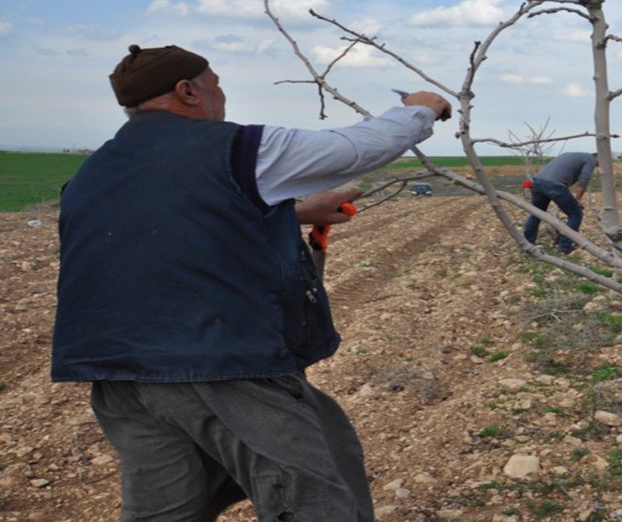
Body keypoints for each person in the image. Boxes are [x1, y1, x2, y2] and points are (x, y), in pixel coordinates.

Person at [52, 43, 452, 521]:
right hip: (220, 363)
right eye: (216, 85)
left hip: (120, 375)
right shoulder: (238, 146)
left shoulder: (96, 170)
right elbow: (356, 149)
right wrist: (419, 110)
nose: (223, 99)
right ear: (187, 91)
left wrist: (295, 211)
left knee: (166, 510)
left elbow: (171, 220)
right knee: (310, 500)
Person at [521, 151, 598, 254]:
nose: (598, 166)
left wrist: (564, 202)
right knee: (576, 214)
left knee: (536, 214)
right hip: (554, 185)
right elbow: (584, 180)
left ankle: (527, 244)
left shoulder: (571, 155)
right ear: (599, 158)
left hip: (538, 182)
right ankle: (564, 246)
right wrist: (577, 199)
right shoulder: (590, 159)